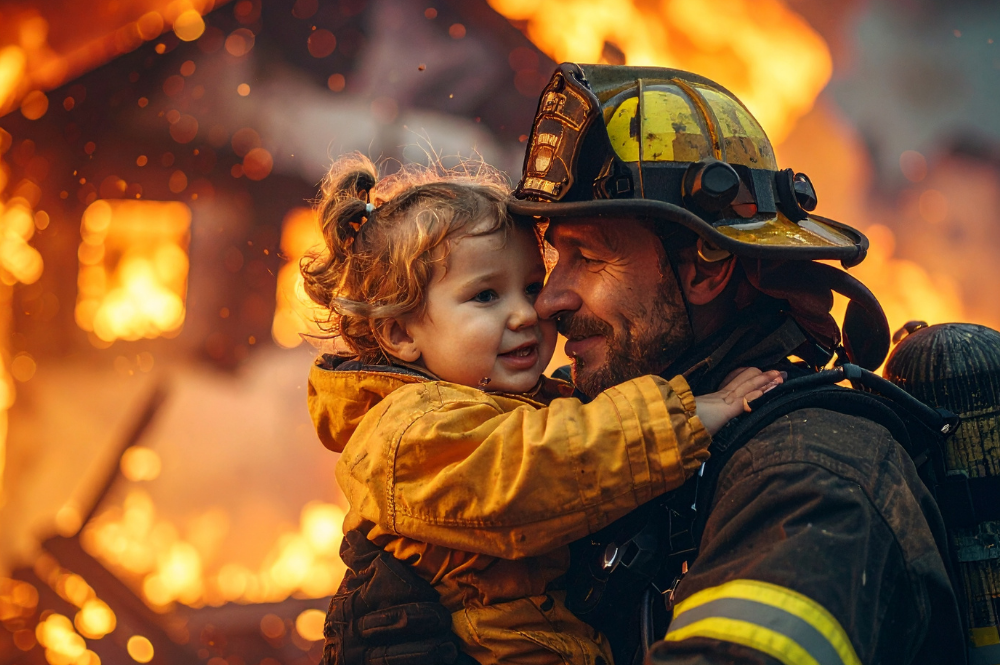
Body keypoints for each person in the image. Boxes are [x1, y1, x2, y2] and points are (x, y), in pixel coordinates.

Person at [320, 65, 967, 665]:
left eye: (590, 258)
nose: (547, 302)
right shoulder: (588, 420)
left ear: (703, 270)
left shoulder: (808, 475)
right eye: (555, 260)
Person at [304, 153, 783, 665]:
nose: (527, 312)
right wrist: (678, 419)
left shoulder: (514, 405)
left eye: (532, 286)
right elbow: (532, 468)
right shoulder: (409, 431)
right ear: (401, 333)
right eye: (485, 295)